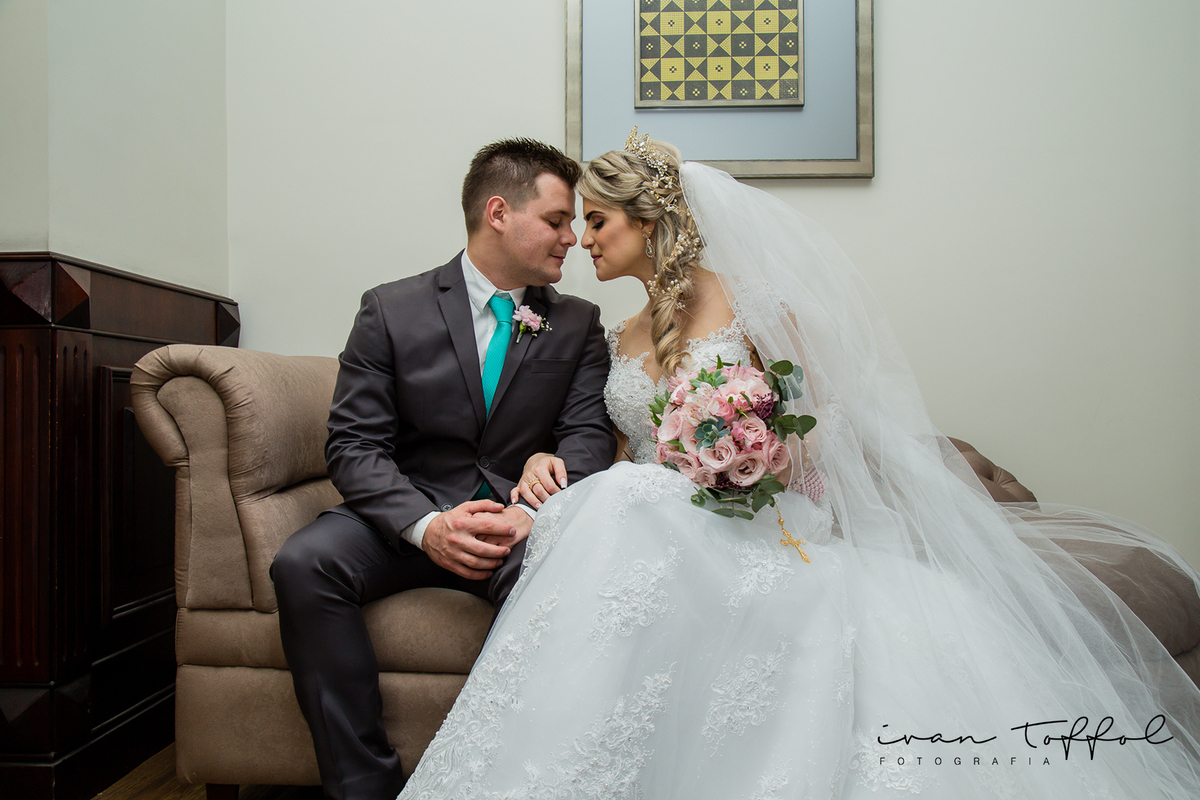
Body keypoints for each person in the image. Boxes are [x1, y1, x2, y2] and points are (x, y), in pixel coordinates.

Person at [396, 131, 1200, 799]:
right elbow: (614, 451)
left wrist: (746, 457)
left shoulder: (753, 306)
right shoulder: (616, 335)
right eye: (576, 223)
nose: (584, 240)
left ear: (648, 219)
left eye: (598, 221)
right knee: (616, 500)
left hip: (756, 524)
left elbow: (820, 434)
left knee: (627, 503)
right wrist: (548, 457)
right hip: (657, 528)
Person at [270, 138, 617, 800]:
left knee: (569, 583)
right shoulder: (391, 308)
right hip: (409, 514)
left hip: (517, 524)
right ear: (498, 213)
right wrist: (426, 526)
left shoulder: (576, 323)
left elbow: (587, 434)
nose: (572, 238)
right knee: (304, 564)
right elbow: (353, 444)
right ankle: (362, 786)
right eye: (556, 220)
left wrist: (531, 510)